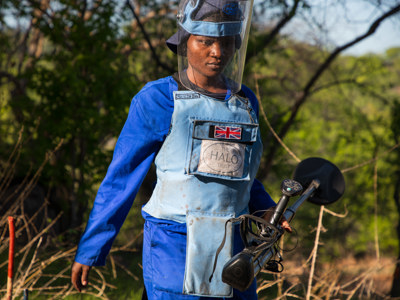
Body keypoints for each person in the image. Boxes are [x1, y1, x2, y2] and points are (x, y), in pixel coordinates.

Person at [71, 0, 291, 299]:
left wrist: (266, 209)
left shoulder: (245, 101)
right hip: (173, 241)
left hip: (234, 244)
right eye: (206, 42)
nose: (217, 52)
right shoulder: (158, 99)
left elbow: (238, 173)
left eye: (226, 43)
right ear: (185, 42)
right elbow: (121, 178)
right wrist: (93, 248)